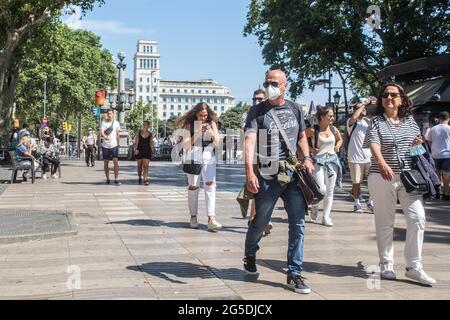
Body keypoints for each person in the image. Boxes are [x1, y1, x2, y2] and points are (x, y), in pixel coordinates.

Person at [243, 69, 314, 294]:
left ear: (285, 85)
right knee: (261, 221)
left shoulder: (294, 109)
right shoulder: (257, 111)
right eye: (266, 82)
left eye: (273, 83)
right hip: (267, 174)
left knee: (298, 224)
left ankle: (294, 273)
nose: (269, 86)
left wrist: (308, 158)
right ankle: (250, 252)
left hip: (292, 174)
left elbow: (302, 135)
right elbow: (249, 142)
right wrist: (249, 173)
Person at [363, 83, 436, 286]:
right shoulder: (376, 121)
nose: (389, 97)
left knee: (417, 218)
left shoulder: (410, 121)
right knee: (385, 222)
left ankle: (414, 266)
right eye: (385, 95)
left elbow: (417, 147)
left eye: (393, 94)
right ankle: (386, 264)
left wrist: (417, 145)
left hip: (408, 178)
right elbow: (373, 143)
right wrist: (382, 162)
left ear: (402, 98)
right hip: (382, 176)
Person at [177, 102, 222, 232]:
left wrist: (212, 133)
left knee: (211, 185)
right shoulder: (189, 125)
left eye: (206, 115)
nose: (204, 118)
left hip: (209, 156)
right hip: (193, 156)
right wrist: (197, 132)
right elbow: (185, 145)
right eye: (201, 115)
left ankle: (211, 218)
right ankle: (193, 217)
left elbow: (218, 143)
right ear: (196, 114)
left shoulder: (212, 123)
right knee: (193, 187)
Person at [240, 89, 273, 236]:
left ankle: (260, 218)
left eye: (260, 99)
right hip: (253, 155)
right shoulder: (248, 114)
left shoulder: (273, 113)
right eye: (255, 99)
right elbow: (246, 132)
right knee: (256, 188)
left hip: (270, 155)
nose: (257, 102)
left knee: (268, 188)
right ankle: (258, 219)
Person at [306, 106, 343, 226]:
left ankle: (326, 217)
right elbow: (299, 140)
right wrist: (311, 149)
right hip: (318, 161)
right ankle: (315, 205)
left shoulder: (333, 129)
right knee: (321, 189)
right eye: (330, 115)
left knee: (330, 191)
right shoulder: (313, 130)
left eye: (333, 116)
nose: (333, 118)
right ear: (322, 117)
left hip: (332, 161)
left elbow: (340, 140)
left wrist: (337, 146)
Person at [346, 99, 375, 213]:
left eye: (364, 108)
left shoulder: (367, 122)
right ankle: (357, 203)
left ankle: (370, 202)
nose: (364, 109)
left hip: (369, 157)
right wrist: (363, 104)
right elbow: (354, 117)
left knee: (373, 181)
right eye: (361, 108)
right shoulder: (351, 122)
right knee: (356, 182)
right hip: (355, 158)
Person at [425, 111, 450, 200]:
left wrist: (433, 150)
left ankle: (437, 192)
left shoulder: (433, 129)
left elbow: (429, 141)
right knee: (446, 175)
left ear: (439, 119)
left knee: (437, 174)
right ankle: (446, 194)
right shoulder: (449, 128)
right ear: (448, 119)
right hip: (447, 155)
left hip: (435, 154)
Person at [100, 109, 121, 185]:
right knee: (106, 162)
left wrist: (118, 143)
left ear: (113, 114)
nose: (109, 115)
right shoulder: (104, 122)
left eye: (110, 113)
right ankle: (108, 179)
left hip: (114, 145)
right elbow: (102, 131)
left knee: (115, 161)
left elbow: (117, 134)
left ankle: (116, 179)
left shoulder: (116, 123)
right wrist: (105, 136)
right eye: (108, 114)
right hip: (105, 145)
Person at [134, 121, 155, 185]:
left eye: (146, 124)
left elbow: (151, 143)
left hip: (147, 151)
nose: (144, 125)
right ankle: (140, 177)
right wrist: (135, 149)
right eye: (143, 124)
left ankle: (145, 179)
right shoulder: (139, 132)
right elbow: (136, 141)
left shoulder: (150, 134)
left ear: (148, 126)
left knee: (146, 166)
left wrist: (153, 151)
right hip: (139, 151)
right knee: (139, 166)